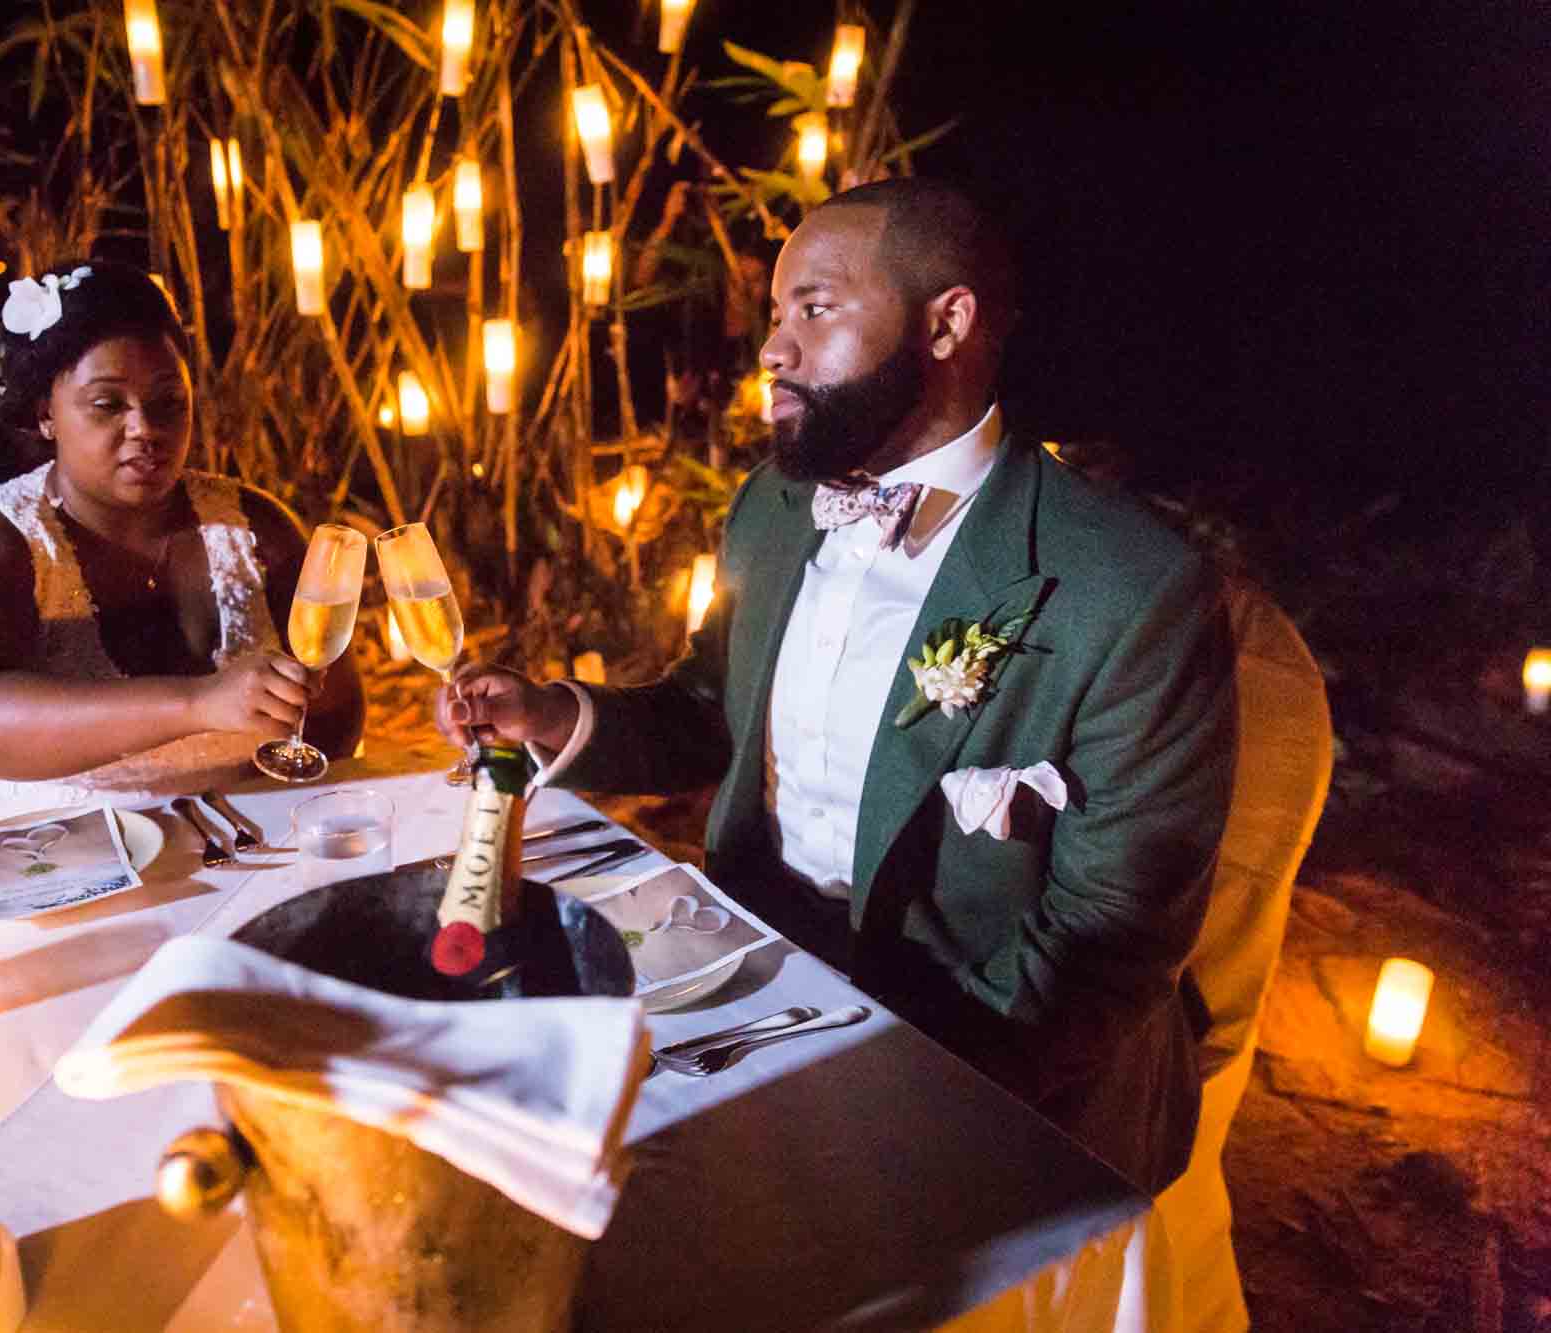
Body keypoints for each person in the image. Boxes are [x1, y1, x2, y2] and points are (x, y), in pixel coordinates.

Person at [442, 179, 1236, 1193]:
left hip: (997, 1058)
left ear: (945, 322)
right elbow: (706, 712)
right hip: (756, 974)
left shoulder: (1125, 589)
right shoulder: (774, 508)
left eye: (812, 310)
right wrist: (551, 714)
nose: (772, 348)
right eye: (775, 316)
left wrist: (891, 1086)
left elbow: (1104, 944)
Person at [0, 259, 361, 842]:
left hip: (243, 842)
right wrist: (198, 704)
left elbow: (338, 718)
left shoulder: (256, 526)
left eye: (169, 402)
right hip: (53, 860)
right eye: (107, 405)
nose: (144, 428)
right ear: (47, 413)